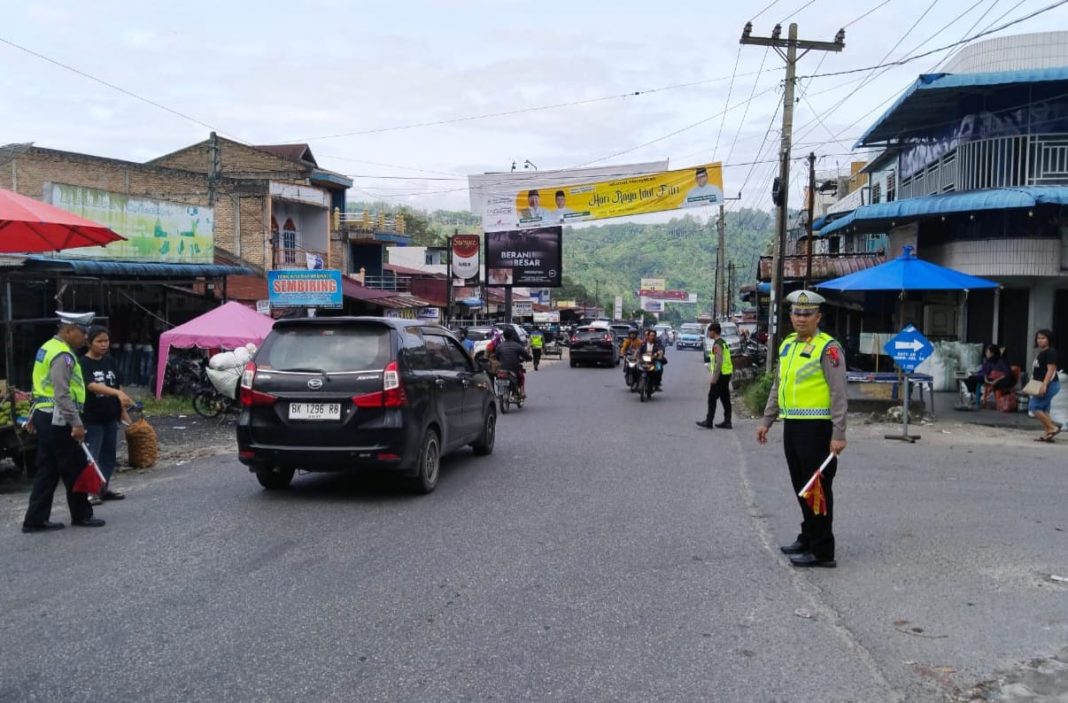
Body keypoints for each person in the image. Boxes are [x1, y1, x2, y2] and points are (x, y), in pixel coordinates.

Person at [756, 290, 847, 568]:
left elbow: (839, 392)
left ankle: (822, 551)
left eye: (807, 313)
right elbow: (778, 386)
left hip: (818, 428)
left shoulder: (828, 348)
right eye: (796, 312)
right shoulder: (787, 345)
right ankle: (807, 536)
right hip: (793, 426)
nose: (801, 318)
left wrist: (838, 432)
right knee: (801, 487)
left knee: (817, 488)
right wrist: (766, 420)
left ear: (818, 316)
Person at [22, 311, 105, 532]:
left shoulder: (47, 347)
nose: (85, 338)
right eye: (82, 332)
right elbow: (61, 393)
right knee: (75, 467)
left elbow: (39, 385)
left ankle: (35, 519)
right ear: (68, 330)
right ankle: (81, 515)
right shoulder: (62, 355)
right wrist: (76, 423)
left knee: (48, 470)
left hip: (46, 415)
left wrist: (34, 414)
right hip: (59, 418)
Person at [80, 326, 134, 505]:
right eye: (99, 341)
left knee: (108, 456)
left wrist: (123, 409)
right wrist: (117, 394)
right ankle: (90, 492)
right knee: (92, 457)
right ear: (89, 343)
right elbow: (91, 385)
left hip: (111, 417)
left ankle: (103, 488)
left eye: (106, 341)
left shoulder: (109, 361)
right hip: (92, 418)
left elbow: (118, 385)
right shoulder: (83, 363)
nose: (104, 345)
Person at [697, 322, 733, 429]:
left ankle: (709, 421)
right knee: (725, 398)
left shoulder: (717, 344)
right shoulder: (723, 342)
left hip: (721, 375)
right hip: (726, 374)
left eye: (709, 331)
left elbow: (719, 362)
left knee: (712, 397)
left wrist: (714, 378)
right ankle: (727, 421)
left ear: (714, 331)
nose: (708, 333)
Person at [1029, 329, 1061, 442]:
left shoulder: (1050, 352)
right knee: (1044, 409)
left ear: (1049, 340)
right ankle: (1048, 433)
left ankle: (1052, 427)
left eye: (1043, 338)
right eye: (1038, 338)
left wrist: (1044, 385)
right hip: (1043, 384)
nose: (1040, 340)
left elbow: (1050, 370)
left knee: (1034, 407)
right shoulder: (1042, 353)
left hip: (1049, 384)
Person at [491, 327, 532, 396]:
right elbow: (525, 355)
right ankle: (522, 392)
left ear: (504, 336)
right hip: (514, 368)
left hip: (502, 368)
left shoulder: (499, 346)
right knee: (521, 377)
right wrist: (529, 358)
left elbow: (496, 356)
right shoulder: (517, 345)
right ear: (512, 335)